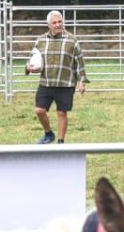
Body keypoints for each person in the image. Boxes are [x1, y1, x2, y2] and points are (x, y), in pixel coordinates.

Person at [28, 10, 87, 144]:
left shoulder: (72, 40)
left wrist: (82, 81)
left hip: (65, 84)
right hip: (46, 82)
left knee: (62, 113)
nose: (57, 25)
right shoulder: (41, 40)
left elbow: (80, 61)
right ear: (48, 24)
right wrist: (29, 67)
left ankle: (60, 142)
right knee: (39, 110)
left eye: (60, 22)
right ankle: (48, 133)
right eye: (54, 22)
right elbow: (32, 59)